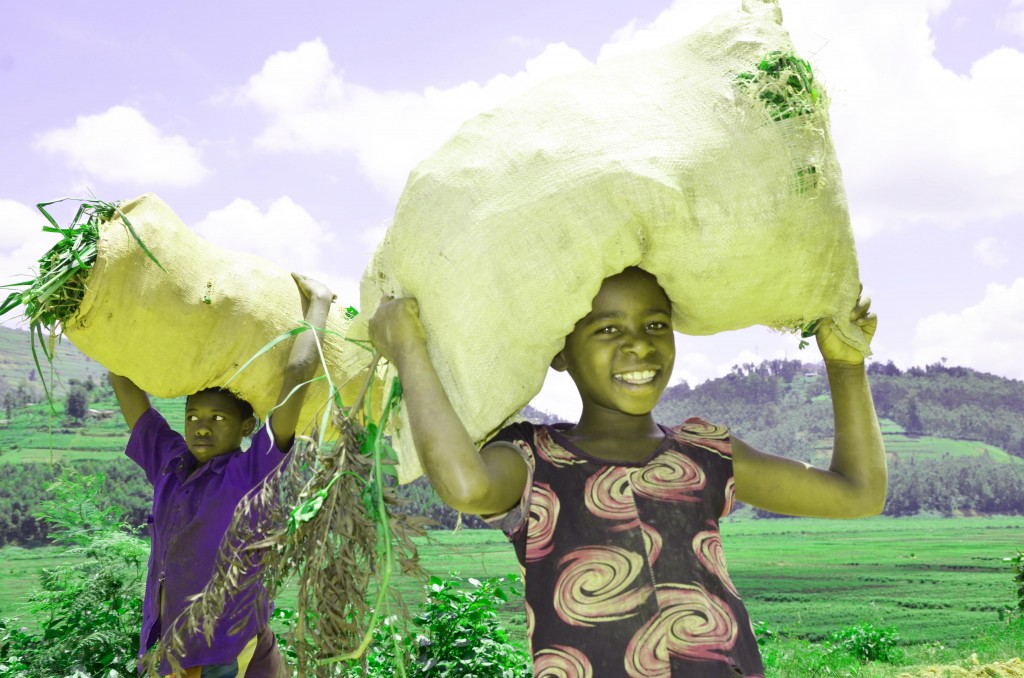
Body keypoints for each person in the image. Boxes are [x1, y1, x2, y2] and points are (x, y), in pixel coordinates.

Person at [368, 266, 886, 678]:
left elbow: (857, 493)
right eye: (608, 328)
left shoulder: (705, 451)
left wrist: (845, 366)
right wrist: (409, 347)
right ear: (561, 354)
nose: (639, 345)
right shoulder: (532, 458)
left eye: (656, 325)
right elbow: (466, 486)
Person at [110, 273, 334, 678]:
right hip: (166, 647)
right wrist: (109, 304)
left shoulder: (252, 470)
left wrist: (319, 301)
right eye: (192, 416)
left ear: (247, 426)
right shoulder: (169, 463)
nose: (201, 427)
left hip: (226, 653)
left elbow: (297, 374)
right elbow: (123, 381)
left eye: (218, 418)